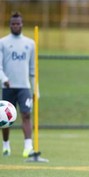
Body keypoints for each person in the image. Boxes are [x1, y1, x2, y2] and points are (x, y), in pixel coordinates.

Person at [0, 11, 35, 158]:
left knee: (26, 114)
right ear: (10, 25)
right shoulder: (3, 42)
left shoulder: (30, 43)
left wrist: (35, 89)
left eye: (18, 23)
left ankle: (28, 146)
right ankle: (6, 145)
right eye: (13, 24)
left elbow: (33, 69)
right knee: (5, 118)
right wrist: (3, 79)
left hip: (24, 86)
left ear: (22, 24)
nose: (15, 26)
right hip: (8, 86)